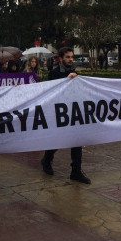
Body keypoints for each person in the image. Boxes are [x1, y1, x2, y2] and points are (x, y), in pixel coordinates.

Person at [40, 47, 91, 184]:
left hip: (73, 111)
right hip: (59, 112)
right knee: (57, 140)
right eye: (67, 57)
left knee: (77, 141)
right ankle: (46, 160)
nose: (70, 59)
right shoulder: (54, 73)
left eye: (71, 57)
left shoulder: (75, 72)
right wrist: (67, 79)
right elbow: (52, 91)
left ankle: (76, 171)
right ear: (61, 58)